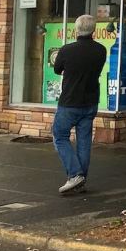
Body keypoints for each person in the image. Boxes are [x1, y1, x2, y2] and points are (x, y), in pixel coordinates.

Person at [51, 14, 106, 194]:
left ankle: (75, 174)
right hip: (90, 102)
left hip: (69, 101)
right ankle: (80, 178)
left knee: (60, 136)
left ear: (76, 30)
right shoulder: (100, 50)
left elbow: (57, 68)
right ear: (94, 31)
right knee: (84, 140)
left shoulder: (67, 50)